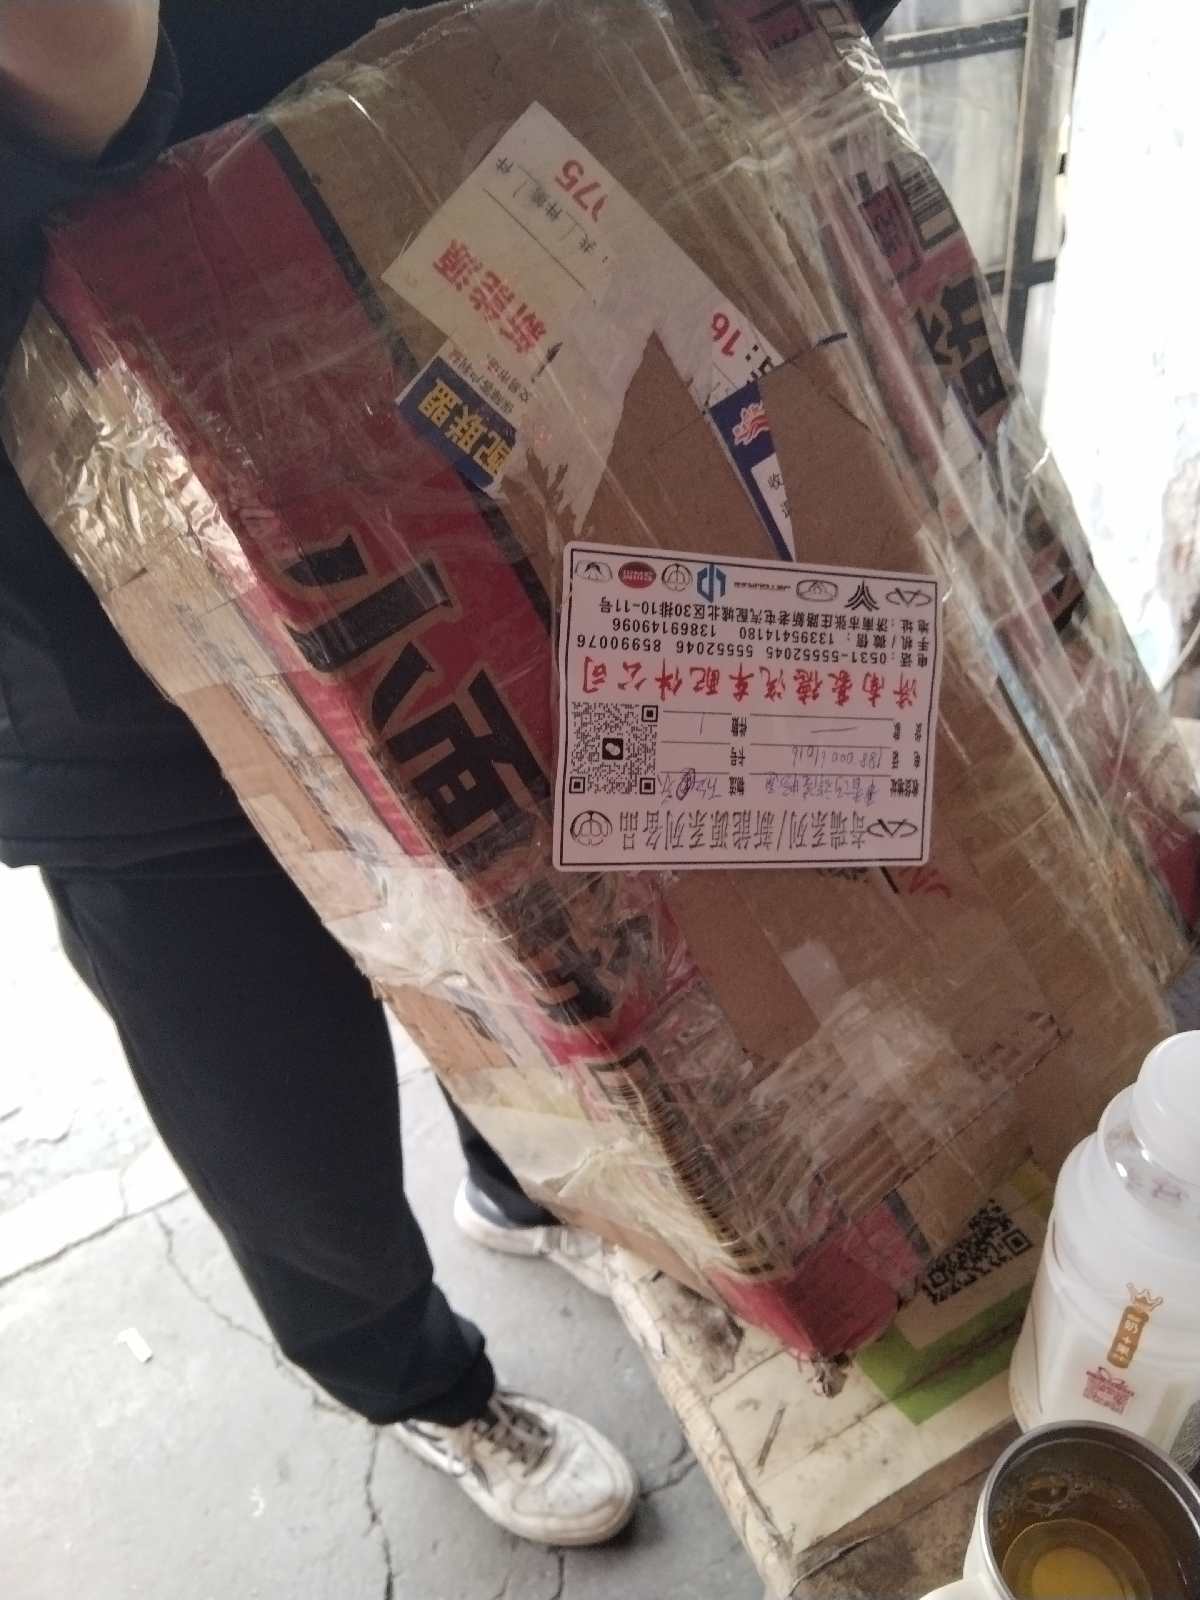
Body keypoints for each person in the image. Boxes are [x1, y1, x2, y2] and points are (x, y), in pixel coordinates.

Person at [0, 0, 898, 1556]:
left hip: (411, 426)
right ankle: (416, 1380)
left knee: (528, 921)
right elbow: (83, 65)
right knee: (273, 1093)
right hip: (98, 643)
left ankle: (534, 1185)